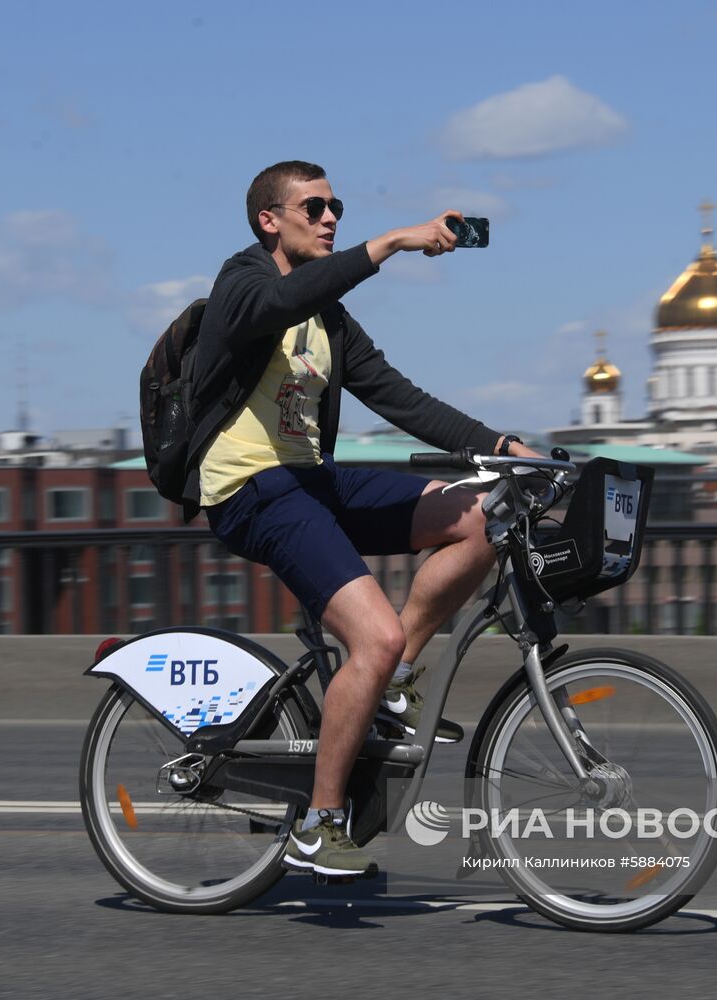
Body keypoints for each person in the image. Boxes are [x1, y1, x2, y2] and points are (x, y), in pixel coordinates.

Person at [182, 160, 540, 879]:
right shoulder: (241, 285)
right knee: (368, 637)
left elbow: (399, 397)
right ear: (268, 220)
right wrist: (392, 244)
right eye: (312, 208)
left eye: (335, 207)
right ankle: (320, 822)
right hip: (250, 488)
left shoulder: (328, 321)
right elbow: (282, 302)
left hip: (309, 481)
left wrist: (502, 448)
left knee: (479, 514)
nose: (329, 218)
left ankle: (392, 677)